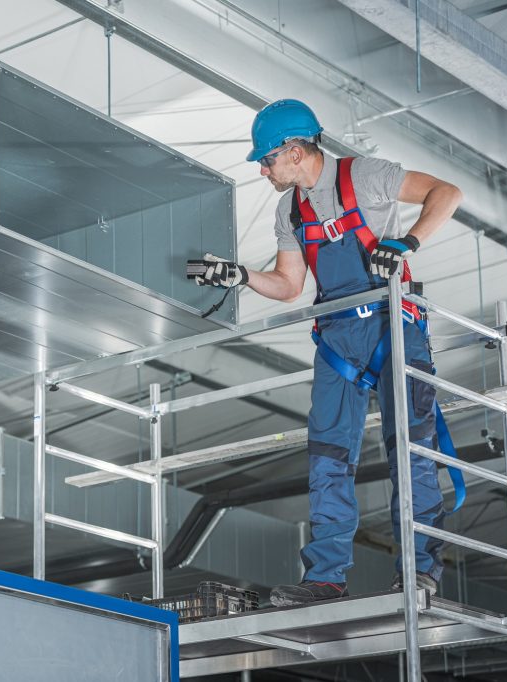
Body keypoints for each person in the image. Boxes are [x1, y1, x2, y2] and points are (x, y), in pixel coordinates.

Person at [194, 99, 463, 607]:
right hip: (338, 339)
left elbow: (447, 193)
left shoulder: (364, 175)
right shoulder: (288, 209)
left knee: (410, 450)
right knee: (327, 458)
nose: (261, 168)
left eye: (266, 159)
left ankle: (420, 571)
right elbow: (290, 283)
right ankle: (325, 578)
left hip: (393, 326)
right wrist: (240, 276)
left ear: (294, 151)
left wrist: (408, 242)